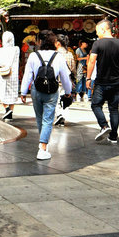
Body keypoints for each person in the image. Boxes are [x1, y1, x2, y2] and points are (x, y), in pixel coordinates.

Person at [21, 30, 74, 160]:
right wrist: (68, 92)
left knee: (40, 118)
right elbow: (65, 77)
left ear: (39, 42)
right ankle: (43, 147)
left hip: (36, 90)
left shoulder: (33, 56)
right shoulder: (58, 57)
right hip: (52, 90)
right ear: (54, 42)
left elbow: (27, 75)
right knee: (48, 119)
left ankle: (43, 144)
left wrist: (23, 92)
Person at [87, 20, 119, 144]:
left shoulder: (97, 44)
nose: (97, 34)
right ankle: (113, 136)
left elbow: (92, 61)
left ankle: (104, 126)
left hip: (101, 82)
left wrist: (88, 78)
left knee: (95, 105)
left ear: (103, 29)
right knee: (114, 109)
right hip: (116, 82)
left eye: (97, 31)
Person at [0, 31, 21, 120]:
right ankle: (10, 113)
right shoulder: (16, 49)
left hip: (4, 74)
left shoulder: (1, 50)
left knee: (1, 93)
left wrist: (4, 64)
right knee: (12, 94)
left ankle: (7, 109)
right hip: (13, 74)